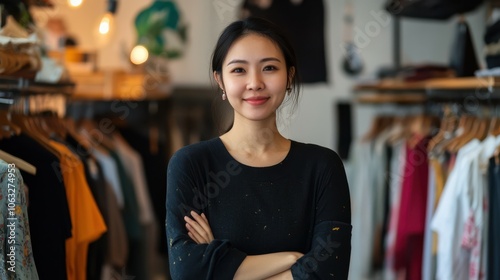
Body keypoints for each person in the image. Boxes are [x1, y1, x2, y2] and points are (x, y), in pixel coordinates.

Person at [166, 17, 351, 280]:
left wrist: (219, 265)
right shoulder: (191, 164)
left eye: (269, 68)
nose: (254, 83)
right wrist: (293, 259)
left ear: (289, 75)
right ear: (220, 80)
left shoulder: (323, 166)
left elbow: (329, 272)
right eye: (239, 70)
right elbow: (186, 271)